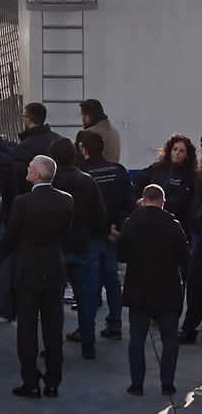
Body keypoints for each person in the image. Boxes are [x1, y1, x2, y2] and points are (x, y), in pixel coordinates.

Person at [1, 155, 73, 398]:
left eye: (31, 168)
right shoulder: (66, 201)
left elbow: (10, 237)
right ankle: (53, 381)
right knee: (54, 329)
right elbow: (64, 234)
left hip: (27, 271)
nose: (27, 171)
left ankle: (30, 380)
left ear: (38, 175)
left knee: (27, 329)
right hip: (54, 268)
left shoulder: (22, 203)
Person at [118, 184, 189, 396]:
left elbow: (121, 256)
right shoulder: (173, 225)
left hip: (138, 289)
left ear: (143, 200)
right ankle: (167, 384)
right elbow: (185, 257)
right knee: (170, 340)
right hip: (167, 289)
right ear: (162, 202)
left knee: (137, 340)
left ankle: (136, 384)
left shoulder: (130, 224)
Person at [136, 135, 201, 343]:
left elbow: (184, 202)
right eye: (174, 150)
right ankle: (157, 313)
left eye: (181, 151)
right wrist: (141, 199)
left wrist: (161, 206)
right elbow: (139, 181)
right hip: (153, 230)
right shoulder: (158, 169)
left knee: (183, 277)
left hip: (177, 230)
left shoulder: (191, 176)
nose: (177, 154)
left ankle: (182, 321)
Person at [49, 137, 108, 359]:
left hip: (56, 246)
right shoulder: (88, 181)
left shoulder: (49, 183)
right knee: (86, 297)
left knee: (52, 301)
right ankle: (88, 343)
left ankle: (52, 346)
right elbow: (100, 216)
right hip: (84, 244)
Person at [75, 130, 133, 342]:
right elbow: (129, 202)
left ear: (84, 149)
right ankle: (115, 324)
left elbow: (81, 210)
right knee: (113, 282)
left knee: (88, 286)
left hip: (91, 237)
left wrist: (103, 230)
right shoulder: (118, 171)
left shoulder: (80, 174)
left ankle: (85, 328)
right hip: (114, 236)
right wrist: (115, 227)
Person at [13, 102, 62, 178]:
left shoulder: (25, 146)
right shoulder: (58, 139)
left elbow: (21, 174)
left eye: (24, 117)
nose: (23, 120)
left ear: (29, 119)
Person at [77, 98, 121, 163]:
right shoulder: (115, 132)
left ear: (87, 118)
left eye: (82, 115)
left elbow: (77, 160)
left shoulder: (87, 134)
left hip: (91, 172)